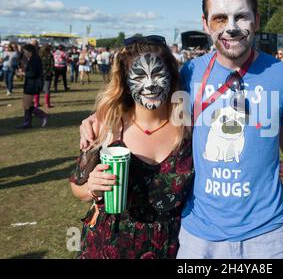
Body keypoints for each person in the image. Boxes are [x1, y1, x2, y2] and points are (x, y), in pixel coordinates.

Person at [80, 0, 283, 259]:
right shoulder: (188, 75)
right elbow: (145, 102)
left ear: (256, 20)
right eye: (220, 19)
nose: (231, 28)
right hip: (201, 235)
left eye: (241, 17)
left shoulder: (282, 76)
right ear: (205, 24)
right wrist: (97, 118)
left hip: (268, 232)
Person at [70, 35, 194, 259]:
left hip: (173, 247)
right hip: (109, 245)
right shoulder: (105, 125)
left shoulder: (189, 126)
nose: (150, 84)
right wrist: (92, 187)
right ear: (126, 83)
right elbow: (77, 188)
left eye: (157, 74)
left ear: (171, 75)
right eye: (139, 77)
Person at [17, 44, 48, 129]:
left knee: (26, 105)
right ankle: (28, 122)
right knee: (27, 104)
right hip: (31, 84)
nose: (24, 53)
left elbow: (32, 73)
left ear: (29, 51)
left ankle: (42, 115)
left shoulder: (34, 59)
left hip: (32, 84)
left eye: (25, 51)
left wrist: (23, 73)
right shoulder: (33, 59)